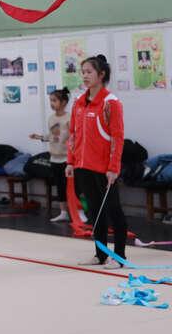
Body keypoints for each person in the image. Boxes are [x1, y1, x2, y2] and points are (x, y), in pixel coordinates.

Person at [67, 55, 127, 270]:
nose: (84, 76)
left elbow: (117, 138)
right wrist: (70, 161)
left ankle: (119, 256)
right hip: (83, 167)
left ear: (101, 75)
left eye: (89, 72)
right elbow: (73, 134)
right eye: (82, 72)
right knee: (95, 212)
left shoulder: (111, 103)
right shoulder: (78, 102)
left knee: (113, 211)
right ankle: (100, 254)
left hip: (104, 169)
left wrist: (113, 168)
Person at [29, 87, 83, 223]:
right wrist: (40, 137)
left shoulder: (69, 118)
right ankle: (63, 212)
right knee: (60, 187)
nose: (51, 103)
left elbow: (76, 137)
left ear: (63, 102)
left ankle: (79, 212)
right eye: (50, 100)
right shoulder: (51, 118)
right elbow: (53, 136)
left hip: (68, 160)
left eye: (54, 100)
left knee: (74, 188)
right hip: (55, 158)